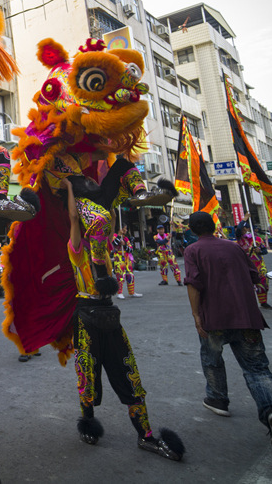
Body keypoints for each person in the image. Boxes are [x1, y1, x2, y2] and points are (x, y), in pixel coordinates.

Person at [61, 178, 183, 461]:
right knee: (87, 375)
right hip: (85, 320)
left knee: (129, 373)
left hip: (111, 319)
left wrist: (111, 200)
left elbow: (111, 225)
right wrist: (70, 188)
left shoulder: (105, 251)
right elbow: (72, 218)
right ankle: (88, 423)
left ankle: (146, 435)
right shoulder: (77, 252)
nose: (98, 233)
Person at [183, 211, 272, 450]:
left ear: (192, 230)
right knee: (257, 368)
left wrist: (196, 315)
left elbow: (194, 283)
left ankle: (217, 399)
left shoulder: (193, 250)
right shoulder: (235, 248)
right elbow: (255, 277)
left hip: (214, 318)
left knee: (212, 360)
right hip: (246, 316)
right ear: (214, 226)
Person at [237, 229, 270, 309]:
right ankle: (248, 304)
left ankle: (263, 302)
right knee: (246, 285)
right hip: (245, 265)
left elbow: (265, 251)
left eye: (246, 228)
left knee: (262, 283)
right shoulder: (239, 240)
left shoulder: (257, 239)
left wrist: (260, 251)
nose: (244, 231)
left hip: (259, 265)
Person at [112, 226, 141, 299]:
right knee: (121, 275)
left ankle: (132, 292)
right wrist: (119, 236)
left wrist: (124, 245)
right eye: (124, 228)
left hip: (127, 258)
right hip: (119, 257)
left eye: (126, 229)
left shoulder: (126, 238)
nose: (126, 230)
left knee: (130, 275)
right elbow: (114, 243)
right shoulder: (114, 236)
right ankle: (120, 293)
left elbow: (130, 249)